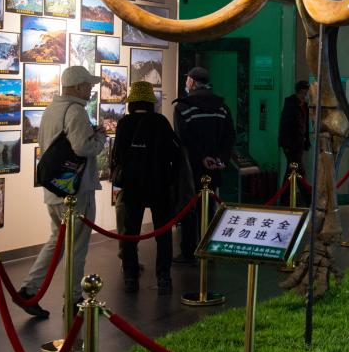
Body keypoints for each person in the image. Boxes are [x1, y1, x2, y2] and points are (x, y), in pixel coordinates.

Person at [17, 65, 106, 319]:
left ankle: (29, 289)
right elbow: (83, 148)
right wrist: (100, 138)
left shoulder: (51, 109)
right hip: (77, 191)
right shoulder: (76, 111)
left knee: (56, 241)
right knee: (77, 246)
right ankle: (75, 299)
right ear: (77, 86)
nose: (90, 89)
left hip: (55, 188)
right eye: (88, 85)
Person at [111, 81, 182, 294]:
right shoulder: (160, 122)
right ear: (151, 102)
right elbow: (175, 152)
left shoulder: (124, 123)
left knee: (130, 233)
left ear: (132, 102)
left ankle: (130, 277)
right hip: (159, 184)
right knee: (163, 233)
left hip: (133, 185)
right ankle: (164, 277)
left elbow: (117, 155)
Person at [173, 67, 235, 263]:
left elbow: (183, 139)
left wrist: (201, 157)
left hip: (191, 169)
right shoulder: (222, 107)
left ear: (191, 82)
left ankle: (188, 251)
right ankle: (208, 248)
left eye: (187, 80)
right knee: (209, 207)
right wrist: (220, 158)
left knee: (189, 208)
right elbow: (229, 136)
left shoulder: (183, 107)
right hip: (214, 167)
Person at [278, 80, 311, 205]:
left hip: (299, 144)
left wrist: (306, 141)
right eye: (305, 93)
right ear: (300, 92)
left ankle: (284, 199)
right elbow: (285, 125)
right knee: (299, 171)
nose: (306, 95)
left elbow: (305, 125)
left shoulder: (304, 106)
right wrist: (286, 145)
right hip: (291, 145)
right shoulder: (291, 105)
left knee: (291, 172)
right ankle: (308, 199)